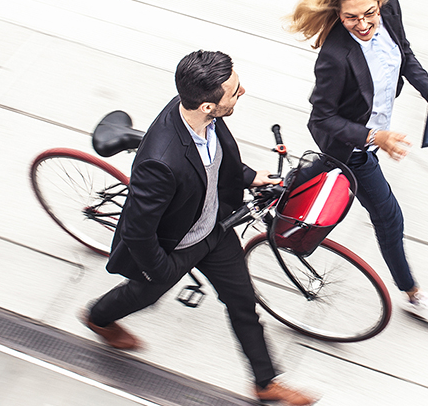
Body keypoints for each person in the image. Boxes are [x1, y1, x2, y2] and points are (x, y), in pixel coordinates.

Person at [80, 50, 316, 406]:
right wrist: (164, 269)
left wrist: (250, 177)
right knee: (144, 294)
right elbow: (139, 232)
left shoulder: (201, 112)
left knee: (242, 303)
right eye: (235, 91)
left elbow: (220, 158)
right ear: (207, 105)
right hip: (175, 246)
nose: (243, 93)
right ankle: (98, 318)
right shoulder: (161, 162)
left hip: (215, 230)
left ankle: (265, 383)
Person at [287, 0, 428, 326]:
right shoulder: (335, 57)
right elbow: (320, 119)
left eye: (370, 13)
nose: (363, 23)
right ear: (338, 14)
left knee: (314, 176)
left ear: (381, 3)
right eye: (351, 17)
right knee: (388, 216)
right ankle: (414, 295)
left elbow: (405, 55)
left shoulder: (392, 10)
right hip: (352, 145)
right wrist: (374, 137)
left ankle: (276, 196)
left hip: (365, 136)